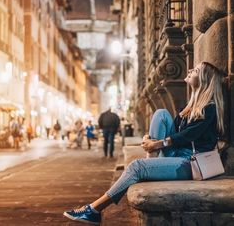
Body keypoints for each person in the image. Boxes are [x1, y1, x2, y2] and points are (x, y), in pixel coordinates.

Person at [63, 61, 225, 225]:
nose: (190, 70)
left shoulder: (209, 108)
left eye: (195, 70)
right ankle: (150, 161)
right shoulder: (189, 109)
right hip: (177, 155)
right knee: (161, 113)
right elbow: (176, 132)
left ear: (204, 80)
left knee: (136, 167)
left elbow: (187, 136)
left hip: (192, 163)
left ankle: (94, 210)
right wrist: (150, 139)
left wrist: (157, 144)